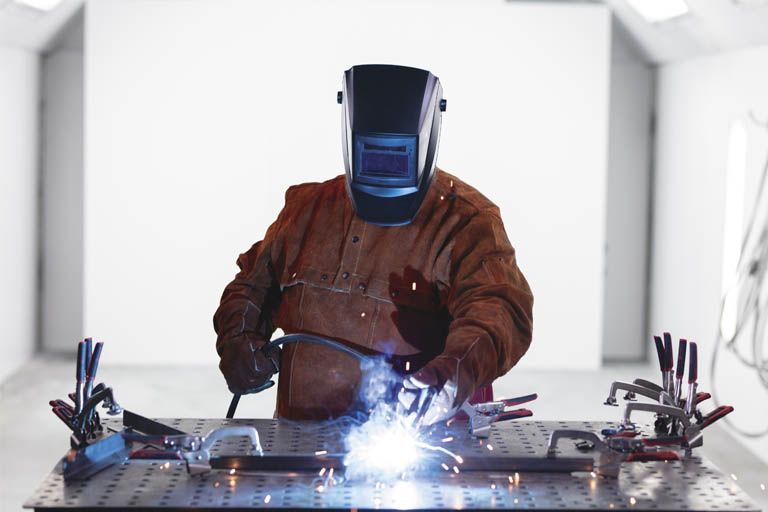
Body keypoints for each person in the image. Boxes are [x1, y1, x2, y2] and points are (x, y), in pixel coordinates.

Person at [214, 64, 533, 424]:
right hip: (300, 437)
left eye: (397, 161)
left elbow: (499, 312)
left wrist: (445, 380)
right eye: (373, 158)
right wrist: (239, 339)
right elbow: (252, 286)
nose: (384, 176)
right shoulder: (307, 208)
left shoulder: (467, 221)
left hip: (419, 442)